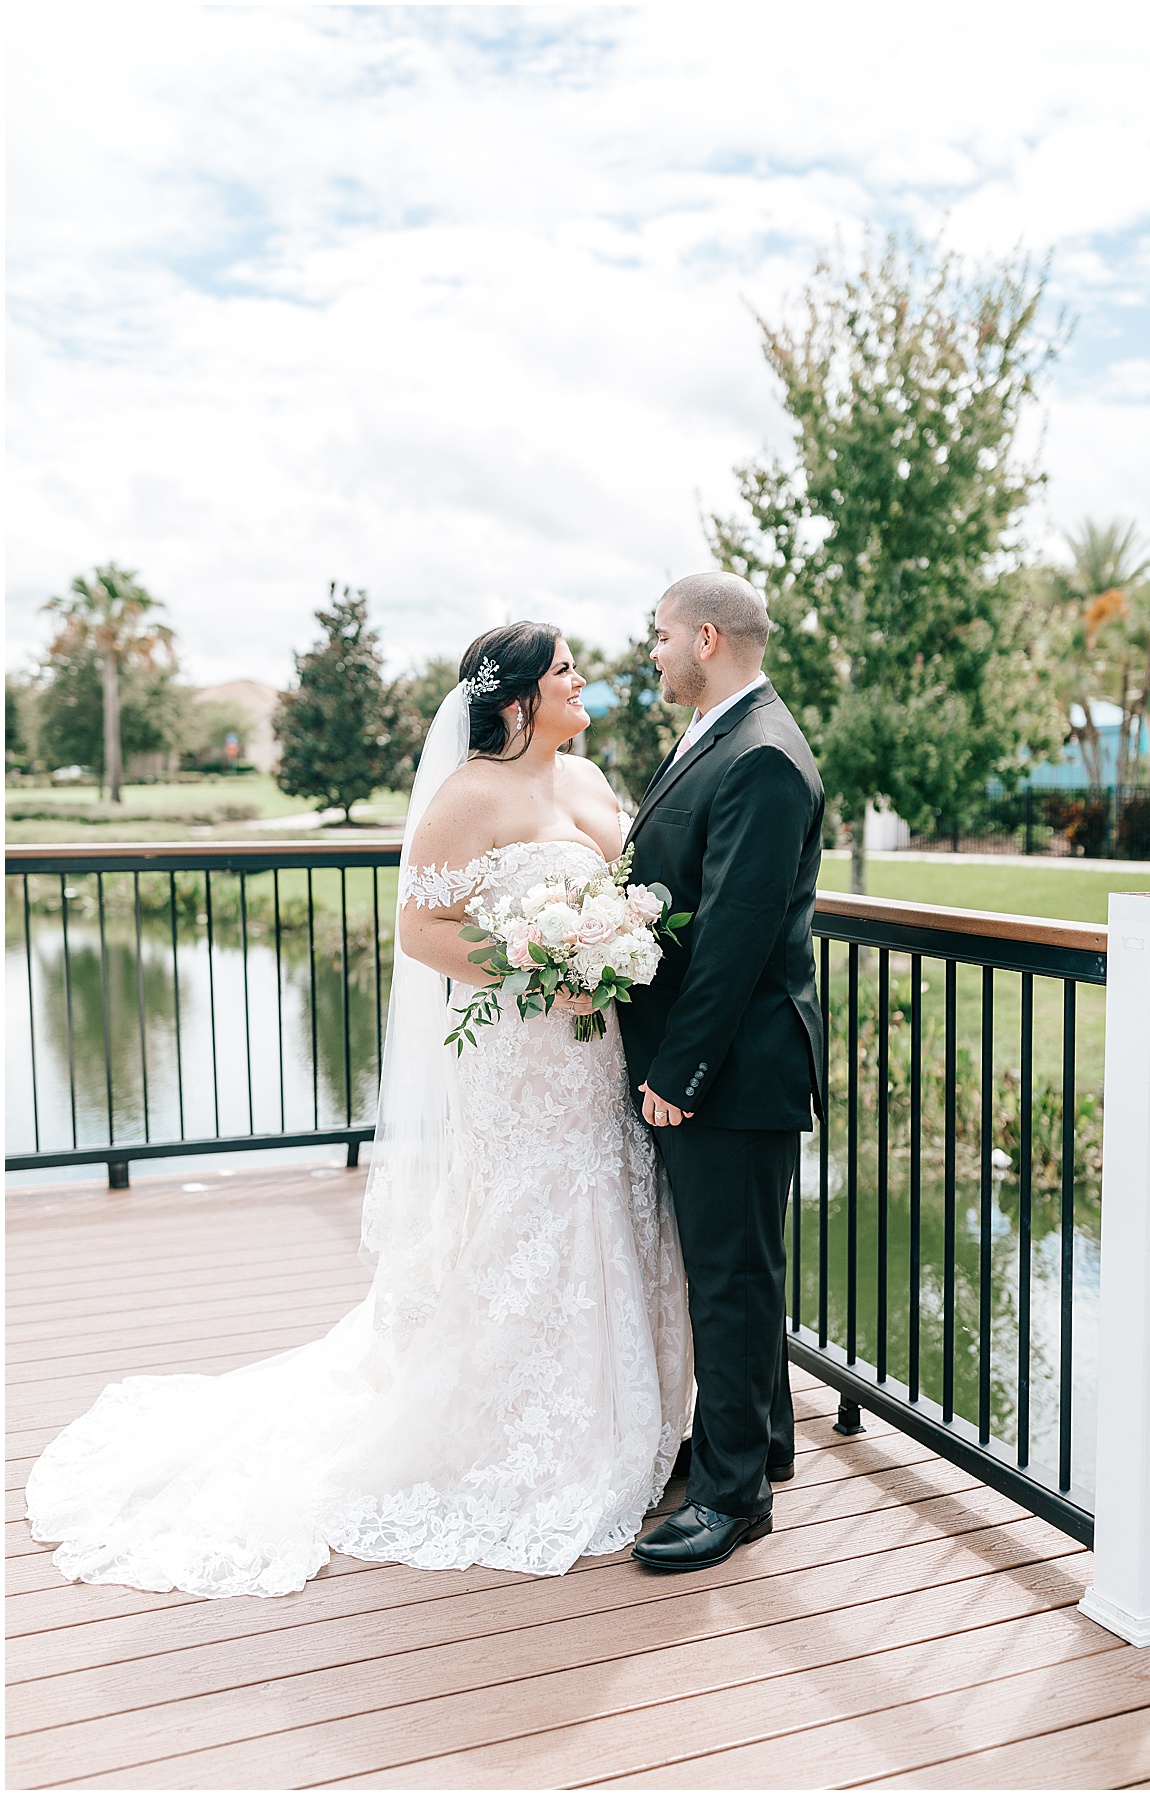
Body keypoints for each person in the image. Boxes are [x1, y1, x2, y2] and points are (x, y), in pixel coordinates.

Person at [25, 623, 692, 1597]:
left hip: (595, 1059)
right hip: (517, 1051)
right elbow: (423, 930)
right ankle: (516, 1433)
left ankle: (629, 1422)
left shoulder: (590, 783)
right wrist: (537, 969)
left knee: (610, 1201)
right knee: (525, 1221)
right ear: (515, 697)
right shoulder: (467, 797)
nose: (582, 678)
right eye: (563, 669)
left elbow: (625, 896)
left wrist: (612, 942)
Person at [619, 571, 825, 1572]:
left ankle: (734, 1498)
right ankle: (764, 1439)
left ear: (706, 637)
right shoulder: (724, 732)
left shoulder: (765, 756)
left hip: (731, 1069)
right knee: (741, 1268)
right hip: (722, 1064)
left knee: (730, 1282)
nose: (650, 652)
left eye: (659, 636)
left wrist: (681, 1068)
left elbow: (738, 935)